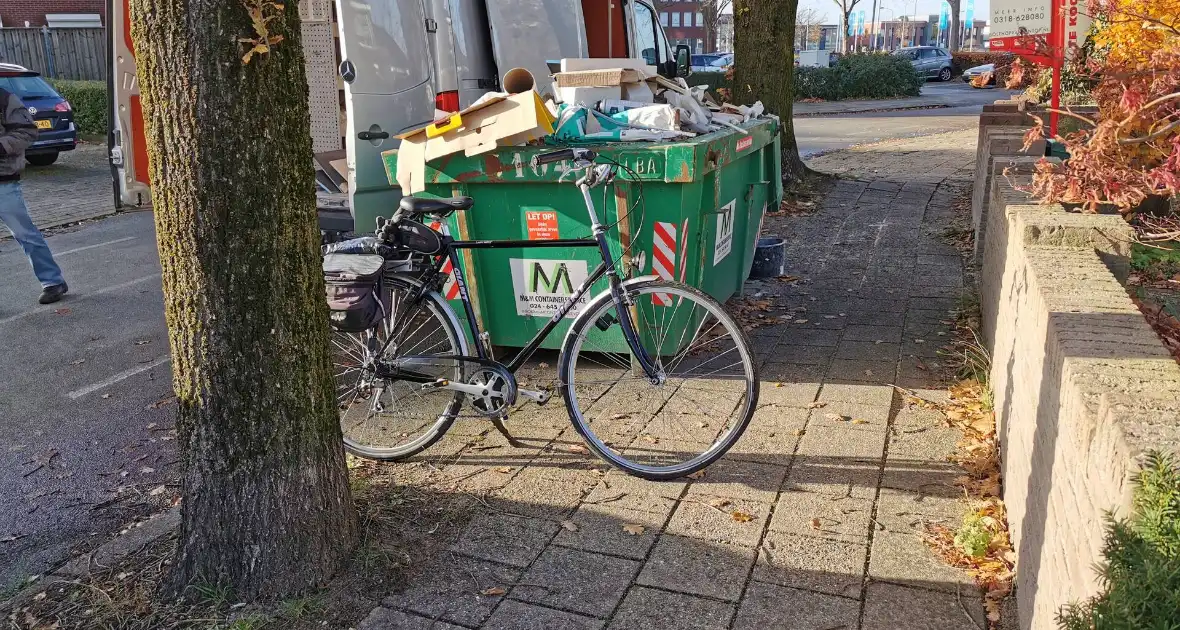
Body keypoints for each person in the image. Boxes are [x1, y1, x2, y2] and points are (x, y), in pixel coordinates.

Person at [0, 86, 67, 304]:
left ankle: (53, 282)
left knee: (25, 234)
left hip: (4, 181)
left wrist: (1, 146)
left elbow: (28, 131)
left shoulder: (4, 98)